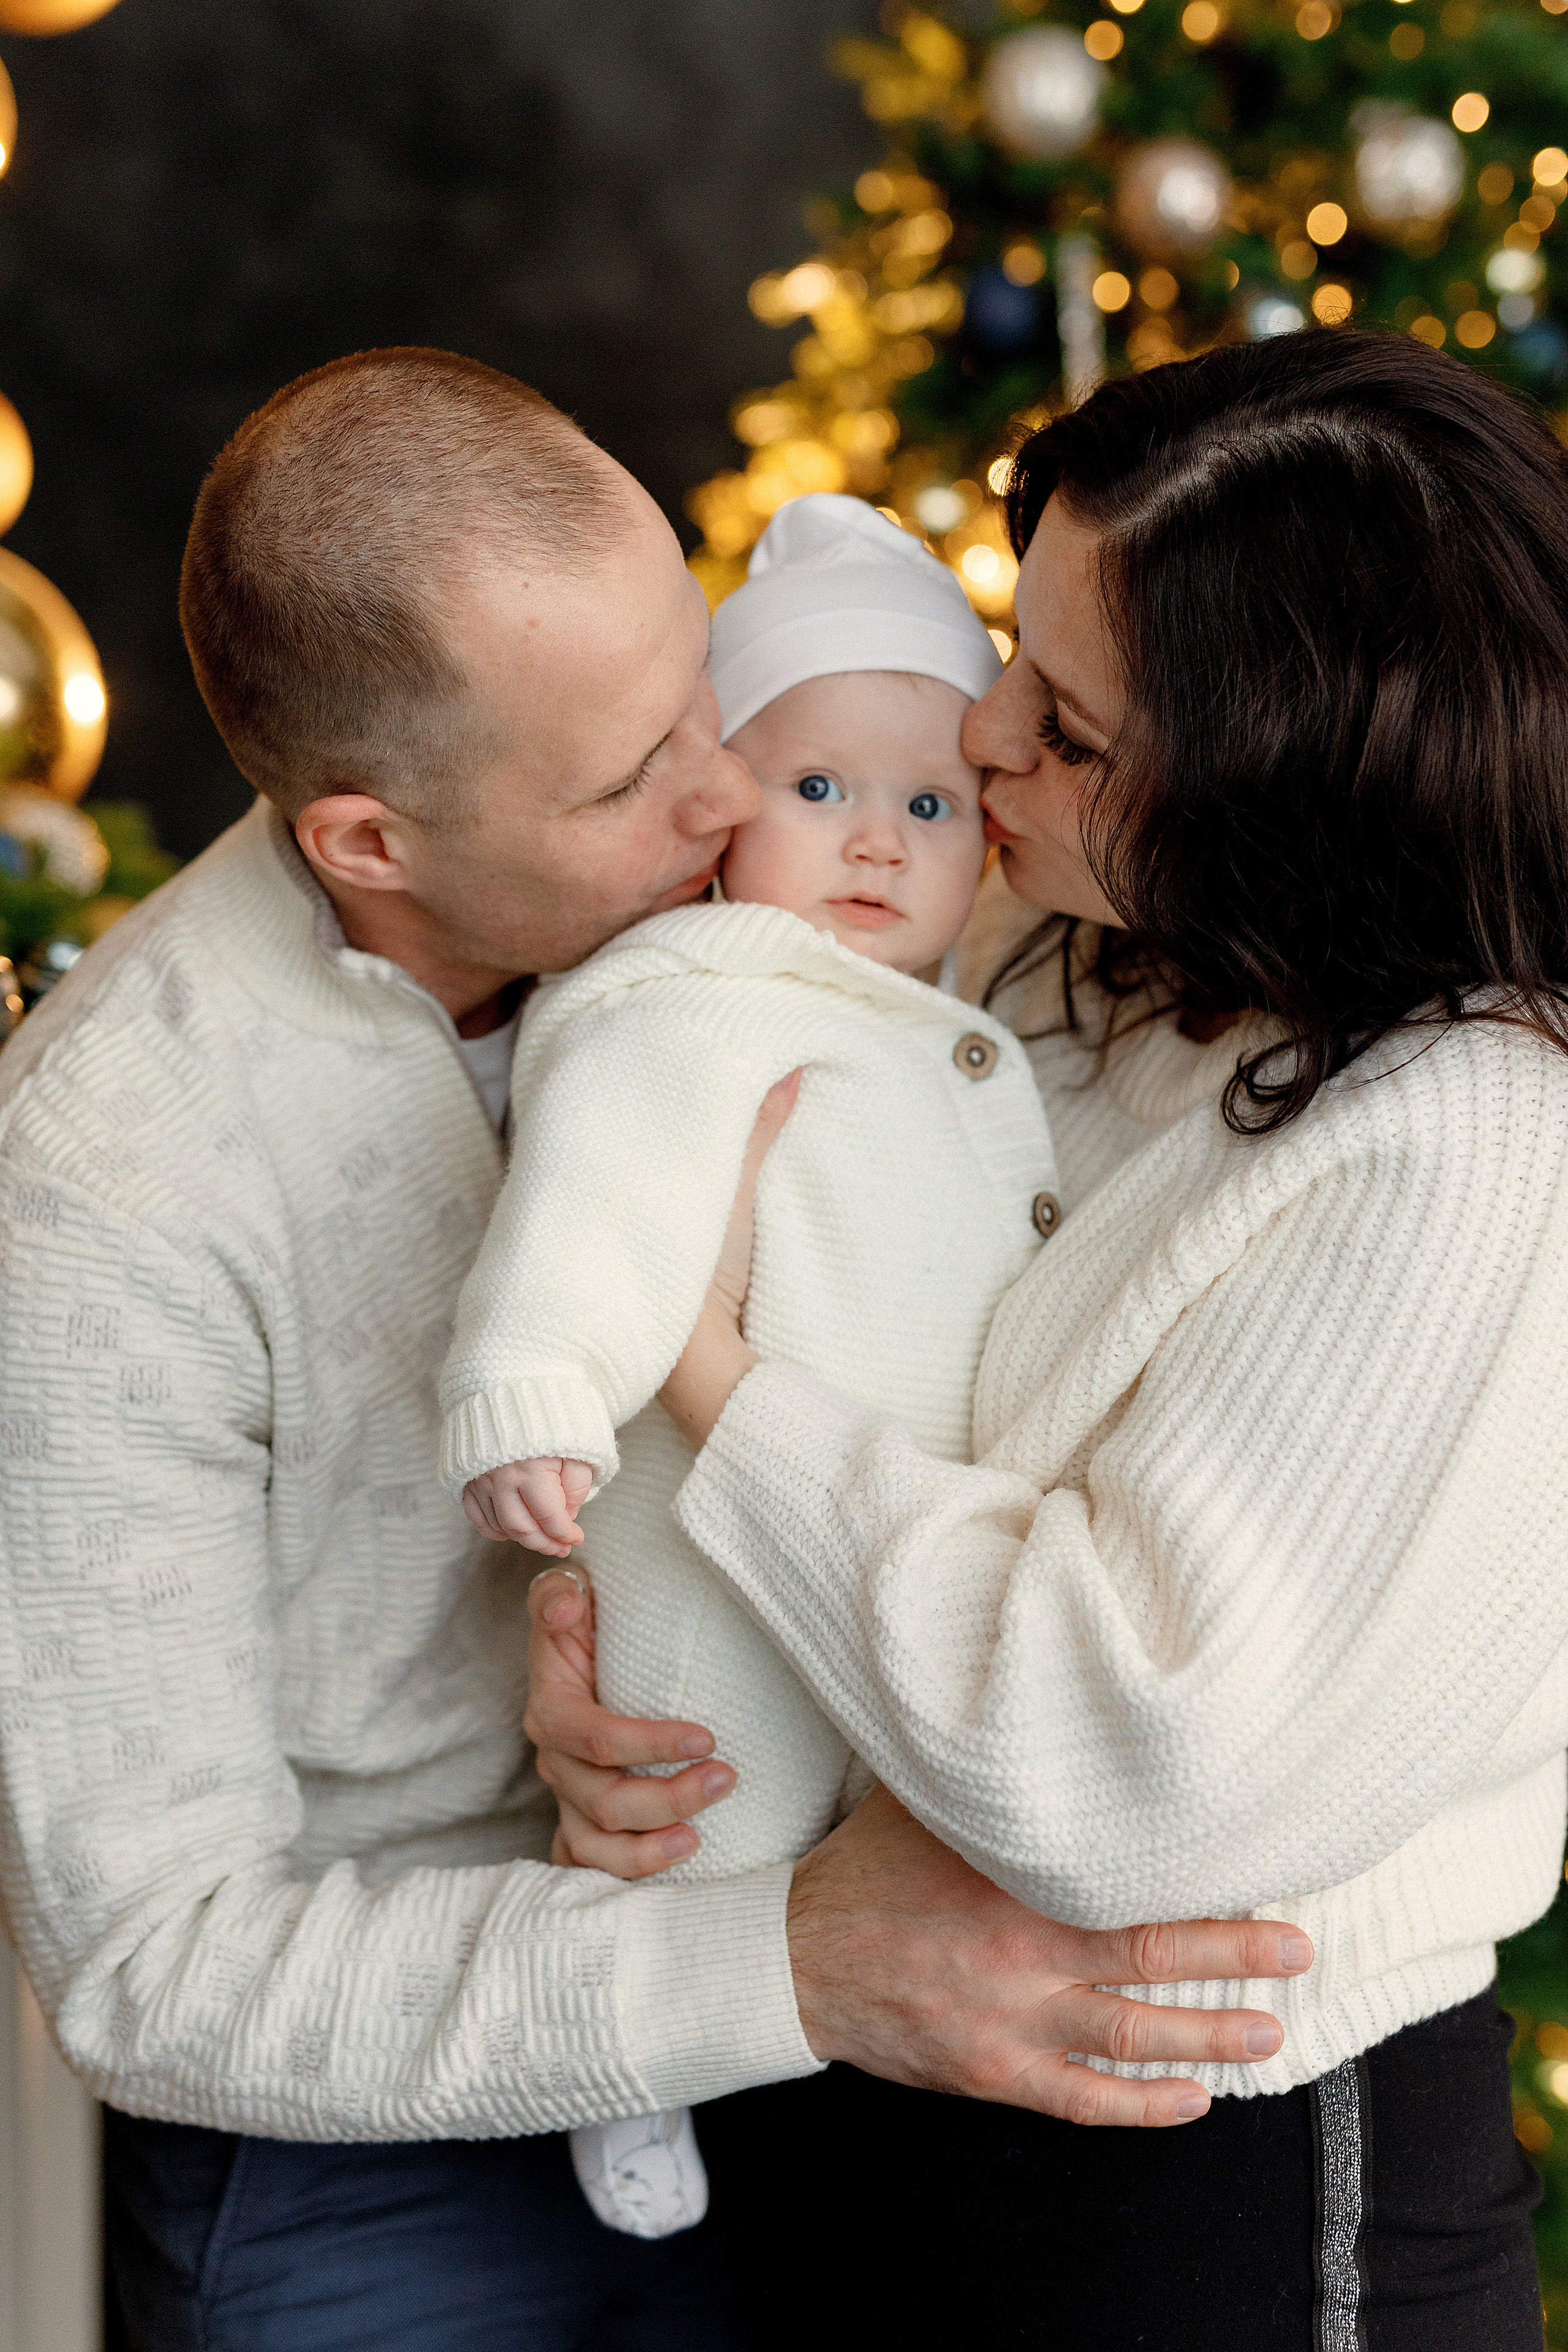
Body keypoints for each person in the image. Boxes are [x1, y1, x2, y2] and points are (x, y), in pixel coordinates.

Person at [0, 349, 1307, 2352]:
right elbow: (153, 1968)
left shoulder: (788, 902)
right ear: (371, 843)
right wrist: (784, 1955)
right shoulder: (107, 1177)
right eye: (627, 777)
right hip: (376, 2173)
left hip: (808, 2047)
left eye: (703, 688)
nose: (729, 790)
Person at [533, 329, 1568, 2348]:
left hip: (1225, 2190)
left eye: (1069, 726)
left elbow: (1125, 1765)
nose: (981, 736)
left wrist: (714, 1384)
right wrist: (657, 1731)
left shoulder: (1479, 1149)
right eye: (1014, 651)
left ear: (1290, 795)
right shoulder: (1080, 954)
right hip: (898, 2108)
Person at [443, 491, 1056, 2238]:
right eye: (821, 791)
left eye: (929, 805)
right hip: (711, 1530)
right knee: (702, 1792)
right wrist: (535, 1381)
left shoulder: (948, 1018)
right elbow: (600, 1196)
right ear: (721, 814)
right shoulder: (699, 989)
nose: (877, 845)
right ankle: (620, 2067)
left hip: (865, 1523)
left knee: (857, 1812)